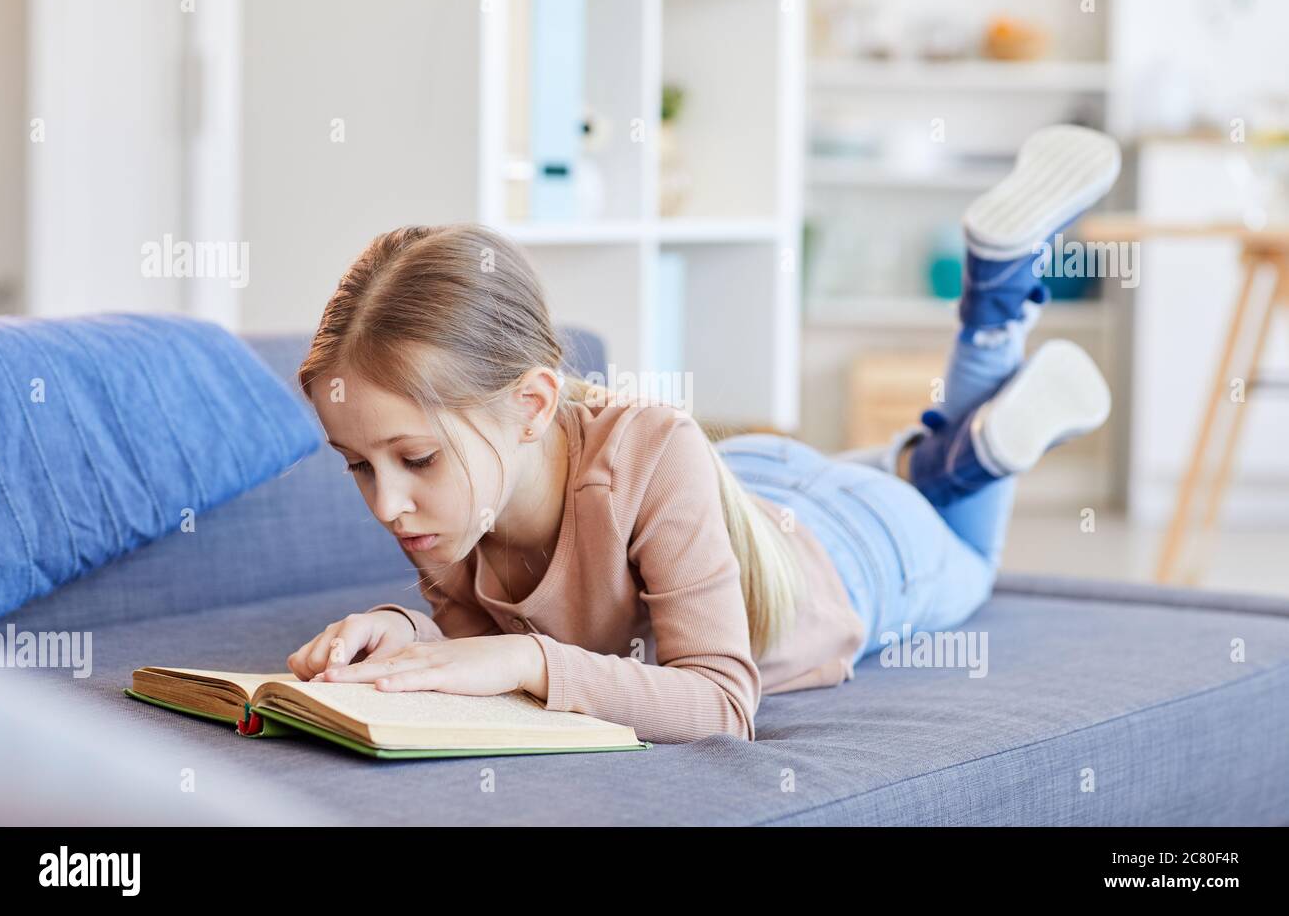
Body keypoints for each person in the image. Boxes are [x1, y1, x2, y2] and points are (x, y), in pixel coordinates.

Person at [286, 124, 1120, 746]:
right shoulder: (455, 496)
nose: (387, 503)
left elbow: (721, 701)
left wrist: (530, 665)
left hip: (855, 550)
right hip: (745, 487)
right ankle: (946, 447)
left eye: (415, 458)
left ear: (533, 406)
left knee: (971, 551)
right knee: (919, 473)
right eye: (359, 464)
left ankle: (989, 327)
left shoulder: (643, 450)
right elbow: (477, 641)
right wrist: (407, 631)